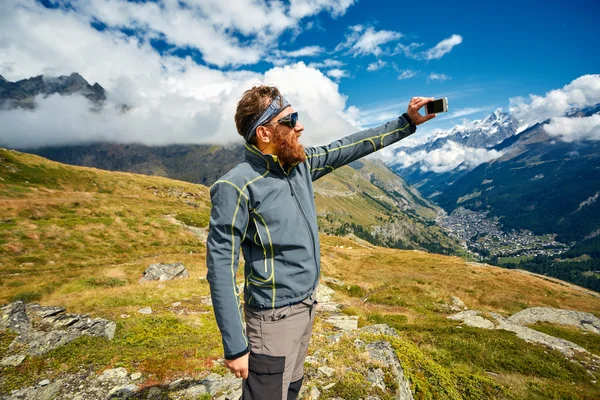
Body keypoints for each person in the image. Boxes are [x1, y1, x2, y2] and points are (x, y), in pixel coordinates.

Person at [206, 85, 435, 400]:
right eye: (291, 120)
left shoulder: (299, 166)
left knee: (292, 387)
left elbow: (350, 146)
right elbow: (221, 266)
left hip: (306, 307)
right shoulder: (236, 186)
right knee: (266, 395)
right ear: (264, 133)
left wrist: (405, 122)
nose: (300, 126)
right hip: (273, 318)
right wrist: (234, 345)